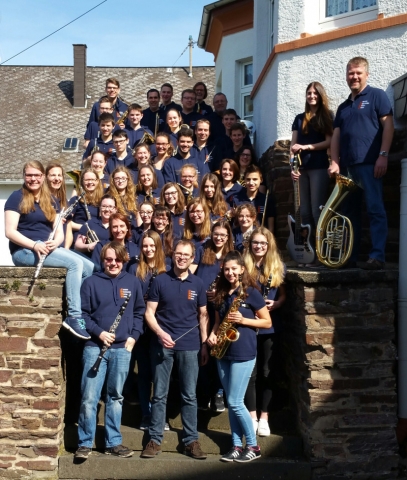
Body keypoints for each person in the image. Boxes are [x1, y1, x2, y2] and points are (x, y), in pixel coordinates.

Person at [4, 161, 94, 340]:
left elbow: (59, 231)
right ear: (24, 176)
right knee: (75, 263)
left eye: (37, 175)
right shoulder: (16, 197)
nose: (33, 179)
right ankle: (74, 316)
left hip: (47, 247)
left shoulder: (50, 199)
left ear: (42, 177)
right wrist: (34, 245)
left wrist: (56, 242)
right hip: (25, 251)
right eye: (29, 175)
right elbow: (10, 231)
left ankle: (76, 305)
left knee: (89, 267)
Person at [74, 241, 145, 460]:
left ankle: (113, 442)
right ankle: (85, 442)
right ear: (103, 259)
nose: (113, 263)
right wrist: (99, 333)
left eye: (117, 260)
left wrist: (134, 336)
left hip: (122, 349)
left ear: (124, 260)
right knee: (89, 397)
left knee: (115, 397)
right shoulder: (90, 283)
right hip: (95, 347)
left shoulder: (133, 282)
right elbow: (82, 316)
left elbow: (139, 313)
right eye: (108, 259)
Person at [141, 239, 209, 460]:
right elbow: (149, 312)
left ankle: (191, 441)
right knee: (160, 394)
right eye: (178, 254)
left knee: (189, 395)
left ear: (192, 259)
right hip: (162, 344)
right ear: (172, 255)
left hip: (190, 347)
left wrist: (205, 344)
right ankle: (154, 439)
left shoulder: (198, 284)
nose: (181, 257)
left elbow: (203, 315)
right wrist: (161, 334)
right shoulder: (160, 280)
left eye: (186, 255)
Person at [328, 57, 394, 270]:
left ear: (366, 74)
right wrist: (334, 162)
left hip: (370, 164)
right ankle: (350, 256)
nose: (354, 77)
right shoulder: (343, 107)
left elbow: (389, 126)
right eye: (350, 73)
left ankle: (377, 257)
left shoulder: (377, 96)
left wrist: (383, 155)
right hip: (347, 168)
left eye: (358, 73)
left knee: (375, 209)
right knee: (348, 215)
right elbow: (336, 136)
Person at [206, 250, 271, 463]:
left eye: (234, 269)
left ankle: (253, 445)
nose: (230, 272)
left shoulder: (251, 292)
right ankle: (235, 445)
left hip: (244, 351)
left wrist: (244, 321)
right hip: (223, 351)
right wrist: (212, 335)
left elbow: (267, 322)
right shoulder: (221, 293)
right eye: (226, 269)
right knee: (231, 400)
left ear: (242, 269)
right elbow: (217, 321)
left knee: (234, 401)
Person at [243, 227, 286, 437]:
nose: (258, 246)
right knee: (250, 372)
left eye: (262, 243)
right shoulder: (244, 266)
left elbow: (284, 295)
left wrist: (277, 304)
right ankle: (251, 416)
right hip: (249, 325)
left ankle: (264, 417)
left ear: (269, 246)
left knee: (267, 372)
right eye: (255, 243)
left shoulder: (277, 266)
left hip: (270, 326)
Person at [193, 220, 234, 412]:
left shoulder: (232, 255)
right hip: (201, 307)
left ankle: (218, 392)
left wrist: (220, 292)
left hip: (221, 307)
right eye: (216, 234)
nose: (219, 238)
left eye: (223, 235)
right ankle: (204, 391)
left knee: (218, 349)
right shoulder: (202, 250)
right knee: (202, 349)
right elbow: (192, 274)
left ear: (228, 237)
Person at [290, 82, 333, 256]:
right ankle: (310, 252)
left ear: (321, 95)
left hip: (318, 167)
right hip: (300, 170)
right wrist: (291, 167)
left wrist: (307, 147)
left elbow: (329, 142)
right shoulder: (299, 118)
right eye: (309, 93)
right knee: (304, 213)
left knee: (317, 210)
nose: (312, 96)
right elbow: (292, 147)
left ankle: (323, 251)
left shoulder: (327, 116)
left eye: (315, 93)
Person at [134, 231, 169, 430]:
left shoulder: (167, 269)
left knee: (160, 374)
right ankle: (146, 415)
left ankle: (159, 415)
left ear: (158, 247)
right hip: (140, 326)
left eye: (152, 246)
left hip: (161, 326)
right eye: (145, 246)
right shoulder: (135, 269)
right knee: (144, 373)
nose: (148, 249)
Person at [66, 168, 104, 248]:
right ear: (82, 182)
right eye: (87, 180)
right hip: (79, 237)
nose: (90, 182)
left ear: (97, 181)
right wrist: (84, 228)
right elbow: (67, 222)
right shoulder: (76, 200)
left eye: (92, 179)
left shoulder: (103, 200)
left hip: (98, 237)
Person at [235, 165, 276, 232]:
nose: (251, 183)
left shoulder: (267, 200)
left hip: (259, 239)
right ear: (244, 180)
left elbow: (271, 227)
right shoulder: (236, 199)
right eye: (248, 179)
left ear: (261, 180)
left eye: (255, 179)